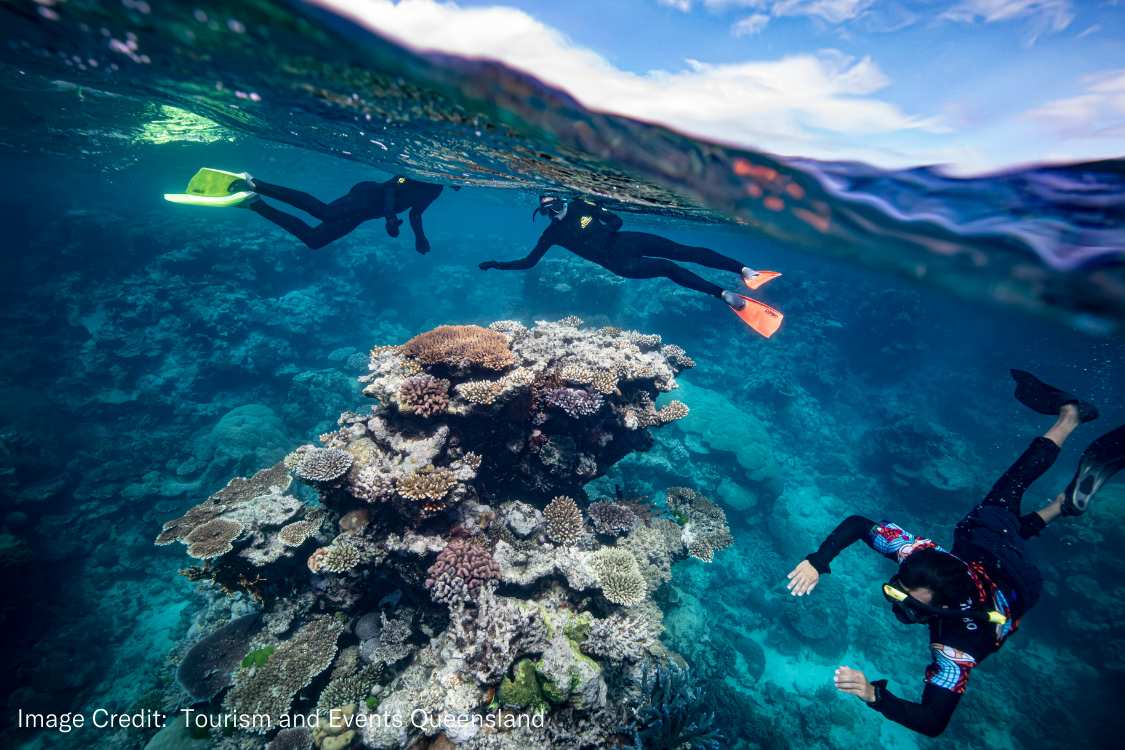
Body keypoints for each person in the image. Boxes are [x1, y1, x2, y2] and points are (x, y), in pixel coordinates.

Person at [785, 369, 1124, 737]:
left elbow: (933, 724)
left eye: (908, 604)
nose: (898, 606)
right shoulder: (918, 556)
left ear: (941, 607)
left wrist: (872, 695)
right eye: (898, 591)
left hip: (1019, 587)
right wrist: (819, 562)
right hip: (1001, 572)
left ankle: (1064, 467)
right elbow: (857, 524)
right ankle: (1065, 446)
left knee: (1003, 509)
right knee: (1003, 511)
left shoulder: (954, 647)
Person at [477, 196, 784, 337]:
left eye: (555, 205)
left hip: (625, 251)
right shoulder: (558, 227)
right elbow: (529, 261)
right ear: (542, 213)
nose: (553, 212)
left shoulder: (572, 213)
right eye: (547, 210)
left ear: (561, 202)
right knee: (672, 261)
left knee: (675, 258)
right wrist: (498, 265)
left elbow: (616, 221)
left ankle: (736, 281)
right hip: (624, 253)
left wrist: (604, 216)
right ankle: (735, 282)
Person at [167, 168, 450, 253]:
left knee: (316, 240)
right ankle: (255, 182)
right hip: (369, 194)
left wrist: (419, 237)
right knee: (325, 212)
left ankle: (253, 203)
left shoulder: (436, 189)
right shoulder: (413, 175)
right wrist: (389, 217)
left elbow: (415, 213)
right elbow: (390, 187)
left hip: (367, 212)